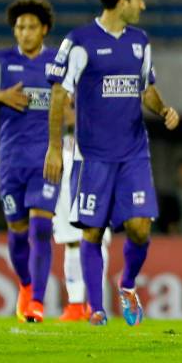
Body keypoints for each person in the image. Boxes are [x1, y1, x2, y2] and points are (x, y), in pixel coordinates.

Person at [44, 0, 179, 326]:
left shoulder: (140, 41)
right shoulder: (79, 42)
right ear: (122, 2)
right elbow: (59, 93)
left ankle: (128, 285)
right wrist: (55, 148)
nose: (143, 4)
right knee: (92, 230)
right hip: (93, 156)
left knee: (140, 228)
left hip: (133, 153)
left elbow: (146, 87)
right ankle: (96, 308)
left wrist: (163, 109)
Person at [0, 0, 59, 323]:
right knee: (18, 232)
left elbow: (75, 101)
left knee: (42, 226)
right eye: (20, 27)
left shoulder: (58, 63)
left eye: (32, 26)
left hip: (46, 160)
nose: (25, 32)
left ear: (44, 29)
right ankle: (25, 283)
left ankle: (36, 302)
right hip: (10, 160)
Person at [53, 98, 111, 321]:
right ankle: (76, 304)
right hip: (65, 193)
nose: (64, 112)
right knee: (71, 243)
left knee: (95, 239)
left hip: (92, 189)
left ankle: (94, 303)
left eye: (68, 108)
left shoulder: (95, 134)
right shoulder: (63, 140)